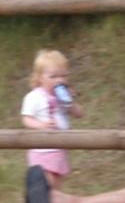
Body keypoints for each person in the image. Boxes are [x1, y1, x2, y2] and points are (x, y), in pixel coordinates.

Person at [20, 48, 83, 190]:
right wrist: (41, 125)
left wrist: (70, 102)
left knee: (56, 185)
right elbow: (26, 119)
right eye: (53, 77)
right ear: (40, 78)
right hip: (42, 149)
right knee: (45, 184)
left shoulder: (63, 98)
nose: (59, 80)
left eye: (63, 76)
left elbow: (79, 114)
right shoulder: (34, 97)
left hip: (59, 148)